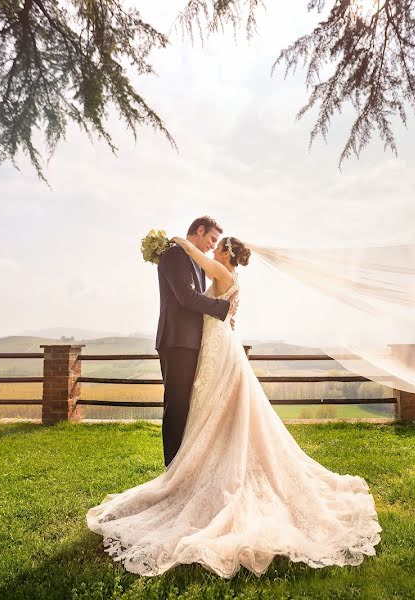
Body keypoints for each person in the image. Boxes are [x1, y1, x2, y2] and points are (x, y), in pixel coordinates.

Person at [86, 231, 382, 578]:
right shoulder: (227, 277)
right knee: (214, 408)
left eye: (217, 244)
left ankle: (209, 465)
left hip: (220, 347)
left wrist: (181, 242)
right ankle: (203, 460)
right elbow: (199, 295)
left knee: (220, 405)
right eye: (210, 242)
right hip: (215, 344)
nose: (212, 248)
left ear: (226, 252)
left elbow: (200, 263)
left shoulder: (223, 273)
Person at [153, 216, 238, 467]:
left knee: (189, 407)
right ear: (199, 230)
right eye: (212, 238)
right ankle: (172, 468)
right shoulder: (175, 255)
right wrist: (225, 308)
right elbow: (186, 298)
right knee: (177, 406)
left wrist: (224, 317)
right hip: (177, 341)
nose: (213, 245)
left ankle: (185, 466)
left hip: (192, 341)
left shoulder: (195, 261)